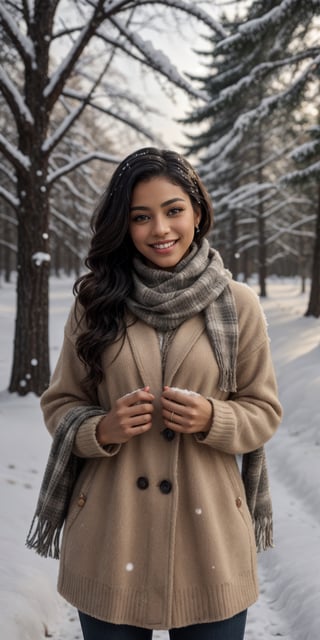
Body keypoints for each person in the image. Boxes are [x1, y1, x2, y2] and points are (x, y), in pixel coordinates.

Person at [27, 147, 282, 640]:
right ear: (123, 225)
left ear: (198, 212)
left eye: (173, 211)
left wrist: (214, 418)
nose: (160, 229)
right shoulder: (95, 301)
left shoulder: (238, 304)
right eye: (141, 217)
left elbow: (263, 410)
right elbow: (60, 403)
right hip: (109, 532)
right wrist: (100, 428)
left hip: (209, 543)